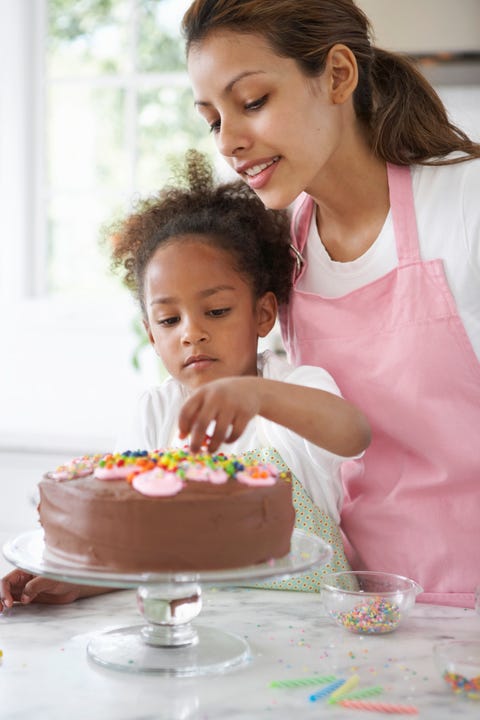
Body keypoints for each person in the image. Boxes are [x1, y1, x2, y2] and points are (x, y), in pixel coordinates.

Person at [182, 0, 480, 607]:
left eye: (253, 102)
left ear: (339, 75)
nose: (231, 142)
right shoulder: (282, 244)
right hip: (366, 609)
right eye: (213, 120)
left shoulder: (465, 202)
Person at [0, 150, 370, 612]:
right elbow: (142, 549)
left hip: (314, 635)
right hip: (201, 631)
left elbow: (353, 433)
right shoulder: (156, 414)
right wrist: (76, 581)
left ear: (262, 313)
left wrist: (258, 396)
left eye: (216, 311)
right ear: (150, 335)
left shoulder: (289, 390)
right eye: (169, 319)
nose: (192, 332)